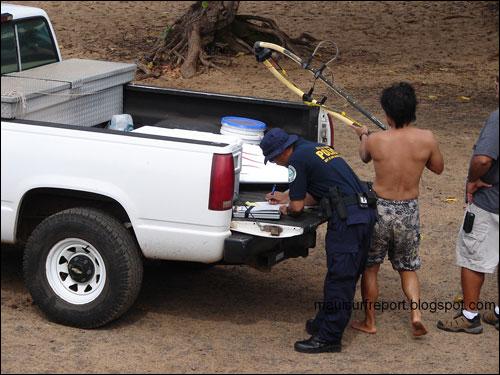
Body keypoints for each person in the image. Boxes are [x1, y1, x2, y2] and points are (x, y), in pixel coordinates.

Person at [260, 127, 377, 353]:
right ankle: (323, 322)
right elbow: (322, 190)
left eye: (274, 159)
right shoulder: (316, 148)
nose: (276, 164)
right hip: (364, 213)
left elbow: (297, 207)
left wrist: (287, 208)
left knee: (339, 278)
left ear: (282, 152)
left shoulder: (296, 161)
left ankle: (329, 338)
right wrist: (286, 196)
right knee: (344, 274)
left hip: (348, 220)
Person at [349, 82, 444, 336]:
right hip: (408, 211)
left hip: (380, 209)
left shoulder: (377, 140)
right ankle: (415, 314)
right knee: (408, 267)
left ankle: (370, 321)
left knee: (371, 266)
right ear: (413, 110)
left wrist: (364, 135)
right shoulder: (427, 138)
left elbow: (364, 156)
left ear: (387, 113)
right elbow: (438, 167)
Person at [437, 75, 499, 333]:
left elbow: (483, 159)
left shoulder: (498, 118)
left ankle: (469, 314)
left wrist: (474, 179)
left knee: (473, 257)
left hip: (491, 204)